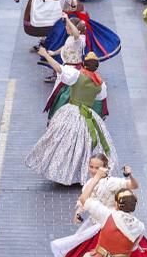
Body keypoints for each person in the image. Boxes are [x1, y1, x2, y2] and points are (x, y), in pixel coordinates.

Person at [26, 50, 117, 186]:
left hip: (70, 111)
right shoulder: (101, 84)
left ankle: (60, 170)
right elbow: (100, 100)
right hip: (87, 115)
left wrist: (45, 55)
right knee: (81, 145)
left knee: (60, 140)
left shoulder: (76, 75)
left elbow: (58, 68)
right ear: (96, 67)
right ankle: (75, 174)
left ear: (84, 65)